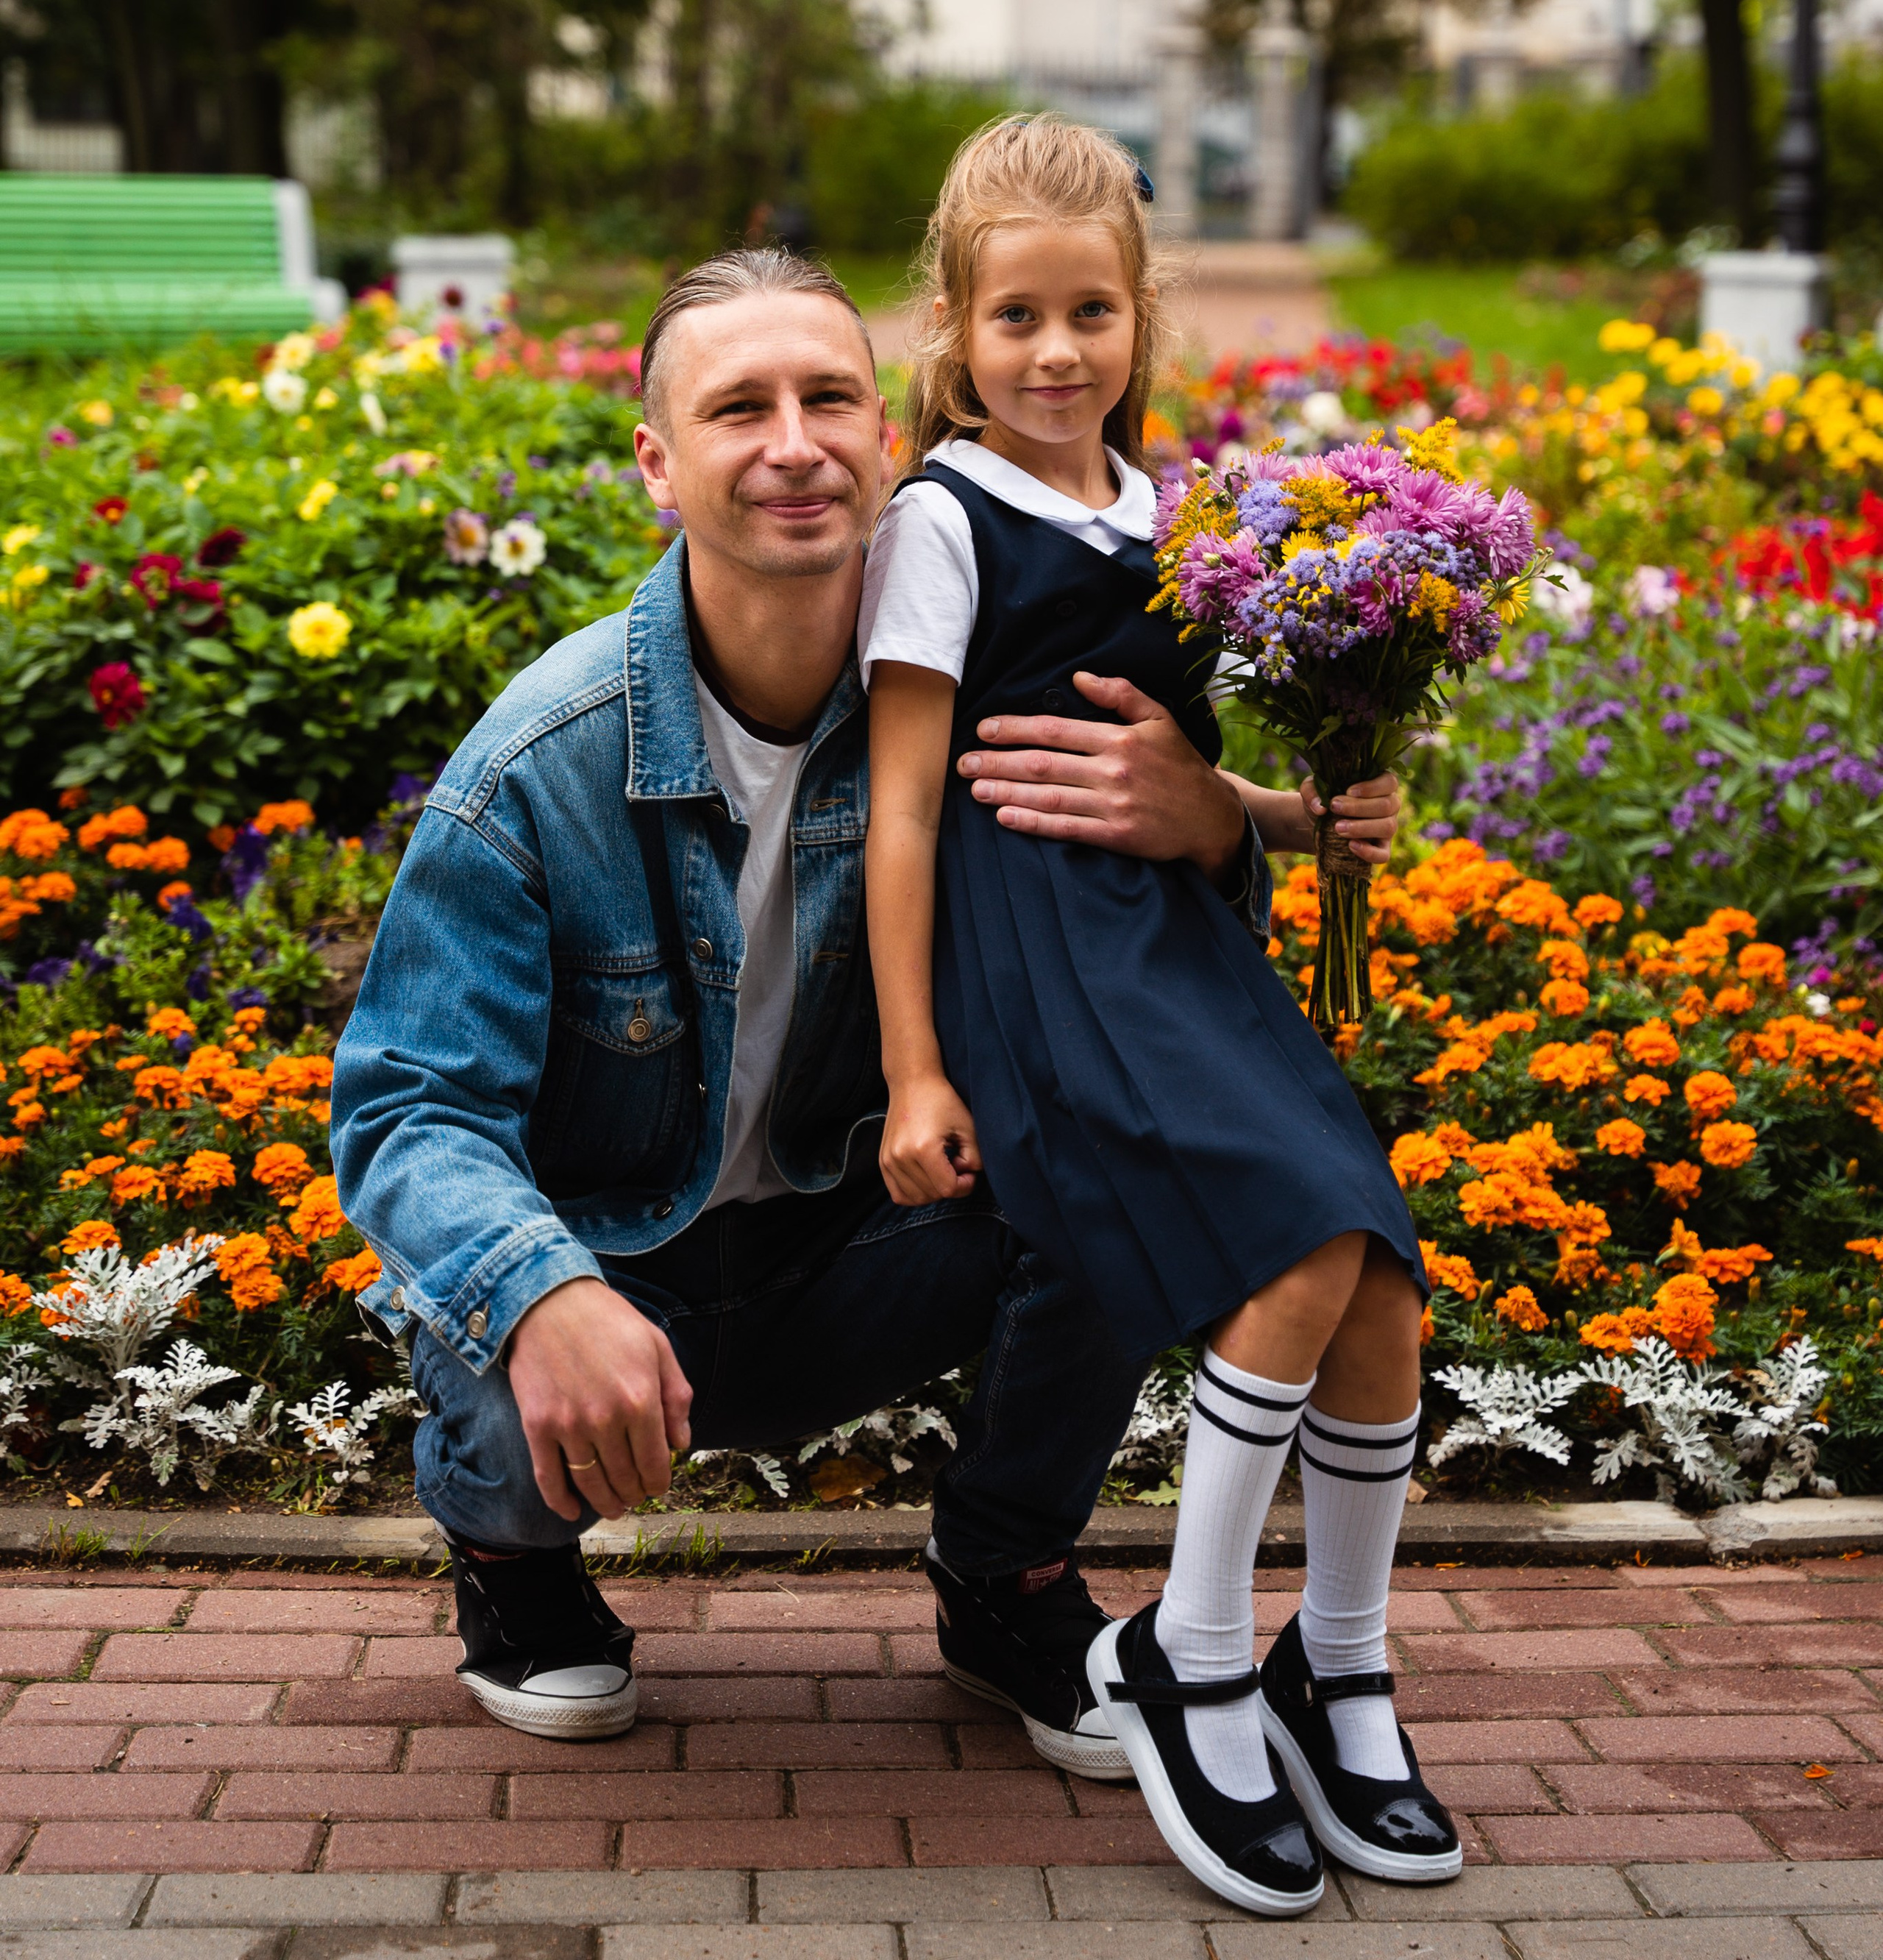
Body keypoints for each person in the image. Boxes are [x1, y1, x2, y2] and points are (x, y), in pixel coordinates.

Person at [332, 246, 1402, 1772]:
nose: (791, 444)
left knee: (1102, 1161)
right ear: (657, 462)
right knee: (496, 1310)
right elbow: (405, 1109)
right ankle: (513, 1560)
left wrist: (1215, 825)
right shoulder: (539, 768)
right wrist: (543, 1292)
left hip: (858, 1251)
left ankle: (1003, 1572)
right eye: (736, 408)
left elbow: (1132, 979)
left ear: (888, 444)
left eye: (828, 396)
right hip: (612, 1273)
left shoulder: (961, 716)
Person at [861, 116, 1461, 1915]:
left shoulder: (1184, 515)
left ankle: (1332, 1663)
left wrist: (1298, 812)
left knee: (1379, 1279)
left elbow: (1182, 775)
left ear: (1142, 321)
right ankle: (1188, 1651)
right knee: (1296, 1242)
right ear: (955, 331)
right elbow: (903, 805)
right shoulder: (941, 522)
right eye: (1017, 318)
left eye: (1092, 314)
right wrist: (912, 1068)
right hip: (1039, 959)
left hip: (1181, 940)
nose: (1055, 354)